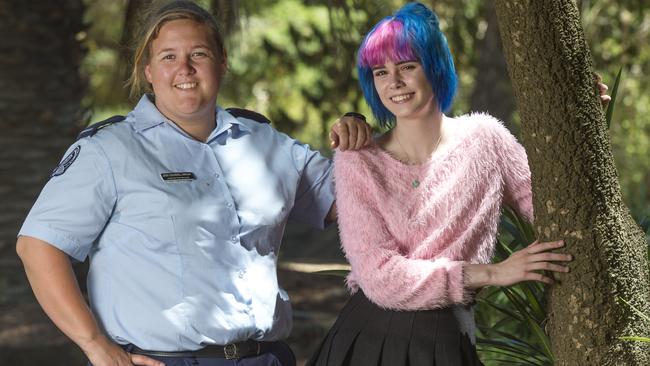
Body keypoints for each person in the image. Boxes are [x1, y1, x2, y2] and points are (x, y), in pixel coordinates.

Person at [15, 1, 371, 366]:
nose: (184, 68)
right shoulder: (108, 151)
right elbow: (38, 246)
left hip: (266, 358)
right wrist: (95, 346)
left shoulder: (270, 145)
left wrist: (358, 138)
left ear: (222, 61)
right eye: (168, 56)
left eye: (198, 53)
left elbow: (364, 201)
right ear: (148, 70)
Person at [308, 3, 609, 365]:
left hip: (450, 334)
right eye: (380, 72)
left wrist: (579, 126)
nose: (394, 83)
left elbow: (552, 201)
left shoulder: (486, 139)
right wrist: (494, 273)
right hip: (370, 340)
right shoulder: (357, 158)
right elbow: (379, 276)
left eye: (407, 66)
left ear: (434, 67)